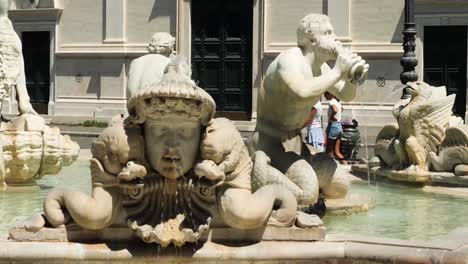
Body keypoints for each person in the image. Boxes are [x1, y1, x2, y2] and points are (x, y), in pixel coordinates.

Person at [249, 13, 368, 203]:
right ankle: (260, 170)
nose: (335, 38)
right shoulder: (290, 59)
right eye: (328, 33)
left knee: (339, 186)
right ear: (312, 39)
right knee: (308, 193)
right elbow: (302, 91)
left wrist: (352, 78)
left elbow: (345, 95)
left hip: (296, 143)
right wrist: (338, 71)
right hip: (269, 141)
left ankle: (287, 176)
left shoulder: (320, 68)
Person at [325, 91, 347, 164]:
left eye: (326, 94)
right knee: (337, 151)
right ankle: (346, 165)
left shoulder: (332, 102)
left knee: (329, 151)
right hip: (339, 126)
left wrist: (332, 117)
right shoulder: (338, 102)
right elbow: (341, 109)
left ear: (331, 94)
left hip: (333, 126)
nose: (324, 96)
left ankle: (328, 168)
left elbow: (335, 110)